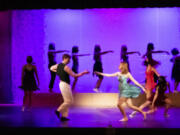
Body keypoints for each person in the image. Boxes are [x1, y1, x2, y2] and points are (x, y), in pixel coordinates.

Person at [50, 54, 89, 121]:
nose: (69, 60)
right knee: (69, 101)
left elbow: (51, 68)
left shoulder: (58, 65)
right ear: (64, 58)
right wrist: (84, 72)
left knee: (67, 101)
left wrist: (58, 71)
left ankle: (64, 116)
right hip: (65, 85)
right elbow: (75, 75)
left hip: (62, 84)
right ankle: (58, 110)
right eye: (68, 59)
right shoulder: (66, 67)